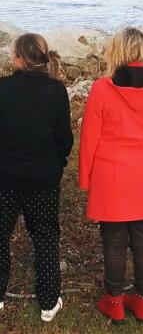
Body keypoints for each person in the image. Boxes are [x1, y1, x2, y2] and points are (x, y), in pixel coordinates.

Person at [79, 27, 143, 325]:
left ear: (117, 51)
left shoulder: (102, 88)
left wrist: (85, 177)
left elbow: (89, 140)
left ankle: (114, 301)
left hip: (112, 174)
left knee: (114, 242)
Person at [0, 33, 73, 322]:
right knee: (44, 237)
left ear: (18, 58)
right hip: (43, 177)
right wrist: (58, 163)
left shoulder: (3, 88)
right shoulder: (56, 91)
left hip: (5, 176)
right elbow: (64, 138)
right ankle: (48, 301)